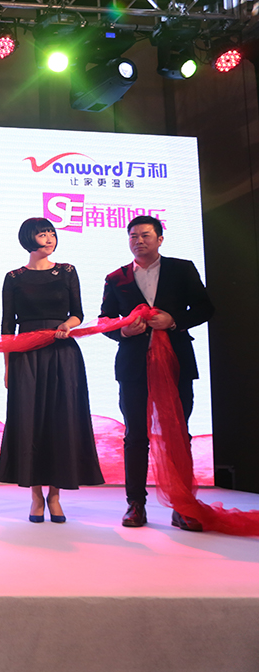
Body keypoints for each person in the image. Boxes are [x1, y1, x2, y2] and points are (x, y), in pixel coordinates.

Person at [99, 215, 214, 531]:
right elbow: (106, 320)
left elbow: (205, 308)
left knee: (178, 433)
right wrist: (123, 331)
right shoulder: (116, 278)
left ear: (160, 239)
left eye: (145, 235)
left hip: (176, 363)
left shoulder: (182, 269)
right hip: (134, 367)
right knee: (135, 435)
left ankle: (182, 505)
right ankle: (135, 505)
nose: (138, 241)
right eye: (133, 236)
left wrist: (174, 321)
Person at [0, 217, 104, 522]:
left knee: (61, 420)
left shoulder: (67, 271)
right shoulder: (14, 277)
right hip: (26, 355)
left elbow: (78, 313)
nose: (49, 238)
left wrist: (67, 325)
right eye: (43, 234)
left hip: (61, 352)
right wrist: (7, 365)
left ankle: (55, 496)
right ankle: (35, 497)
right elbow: (7, 325)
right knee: (28, 421)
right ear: (28, 239)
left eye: (52, 233)